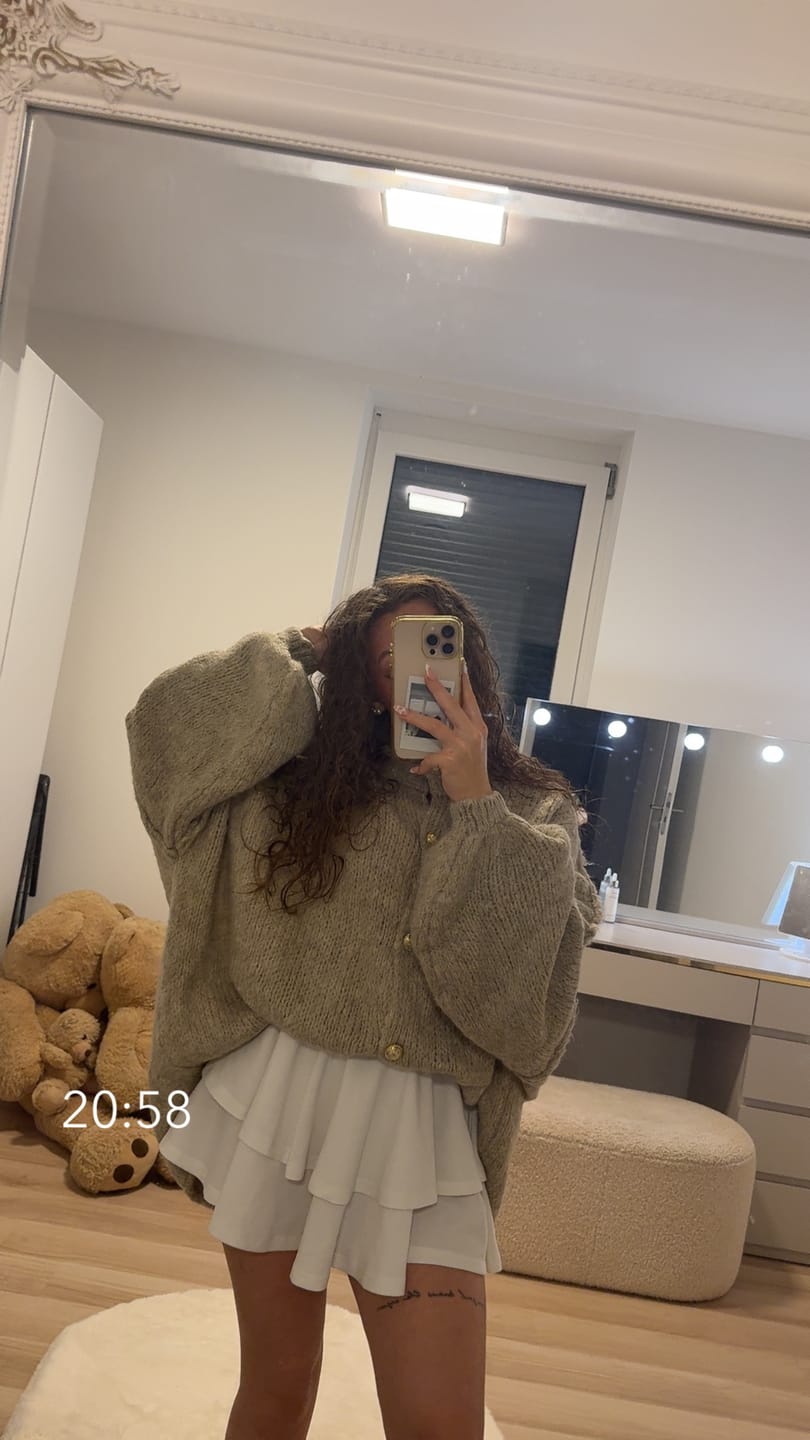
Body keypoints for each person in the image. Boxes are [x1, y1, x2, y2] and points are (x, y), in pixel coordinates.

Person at [125, 572, 600, 1440]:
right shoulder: (299, 778)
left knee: (440, 1424)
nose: (413, 674)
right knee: (277, 1391)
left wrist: (475, 802)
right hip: (280, 1107)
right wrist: (296, 650)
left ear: (469, 662)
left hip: (422, 1138)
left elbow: (525, 1001)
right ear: (362, 680)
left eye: (433, 649)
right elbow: (164, 733)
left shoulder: (535, 809)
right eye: (385, 659)